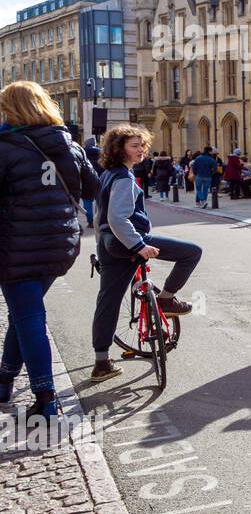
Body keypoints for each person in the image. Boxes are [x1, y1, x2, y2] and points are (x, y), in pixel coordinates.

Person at [0, 82, 101, 421]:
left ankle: (46, 399)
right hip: (60, 243)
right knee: (23, 313)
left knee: (29, 317)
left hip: (16, 245)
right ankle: (4, 380)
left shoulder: (4, 146)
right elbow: (92, 187)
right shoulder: (68, 143)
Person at [91, 124, 203, 380]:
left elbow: (99, 218)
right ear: (119, 149)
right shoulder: (122, 178)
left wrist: (101, 246)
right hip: (129, 241)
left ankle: (101, 362)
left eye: (142, 145)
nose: (140, 149)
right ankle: (166, 298)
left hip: (109, 244)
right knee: (191, 253)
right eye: (134, 145)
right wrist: (139, 246)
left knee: (107, 301)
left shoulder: (107, 174)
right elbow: (118, 218)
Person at [81, 134, 102, 226]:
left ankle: (90, 221)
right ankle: (101, 220)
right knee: (101, 202)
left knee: (87, 202)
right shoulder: (102, 154)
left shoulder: (82, 153)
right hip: (100, 180)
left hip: (86, 181)